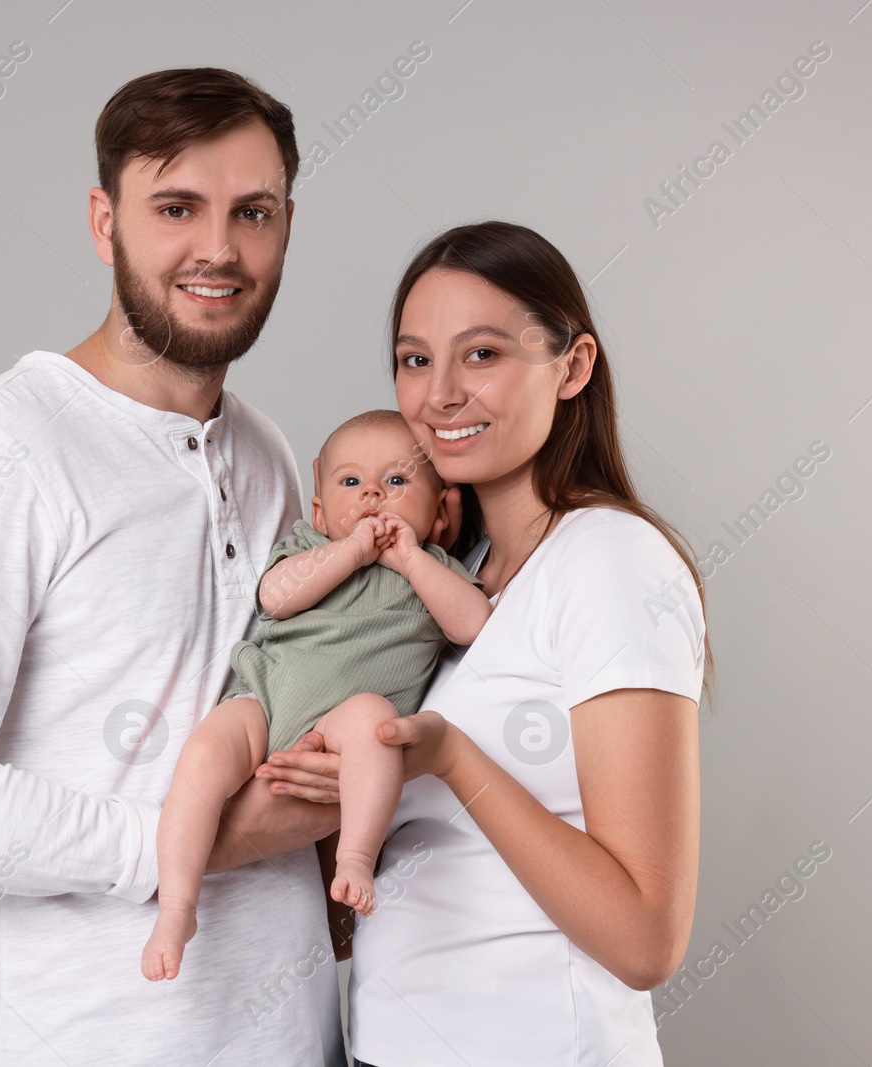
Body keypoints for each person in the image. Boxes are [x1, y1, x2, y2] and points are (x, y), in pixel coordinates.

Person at [0, 68, 352, 1066]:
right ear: (102, 220)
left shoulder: (269, 452)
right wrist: (188, 839)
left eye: (252, 211)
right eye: (175, 207)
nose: (218, 247)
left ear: (287, 225)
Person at [261, 220, 712, 1066]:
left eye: (482, 355)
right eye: (414, 359)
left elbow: (647, 938)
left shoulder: (608, 560)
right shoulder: (446, 582)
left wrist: (452, 759)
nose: (438, 396)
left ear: (572, 366)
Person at [141, 410, 489, 981]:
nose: (373, 494)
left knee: (376, 724)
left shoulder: (433, 570)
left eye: (398, 482)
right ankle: (178, 906)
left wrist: (408, 558)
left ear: (441, 513)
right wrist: (350, 551)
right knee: (202, 759)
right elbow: (275, 598)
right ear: (322, 508)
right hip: (264, 697)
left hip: (341, 726)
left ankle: (353, 857)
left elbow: (472, 623)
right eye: (351, 483)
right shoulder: (309, 547)